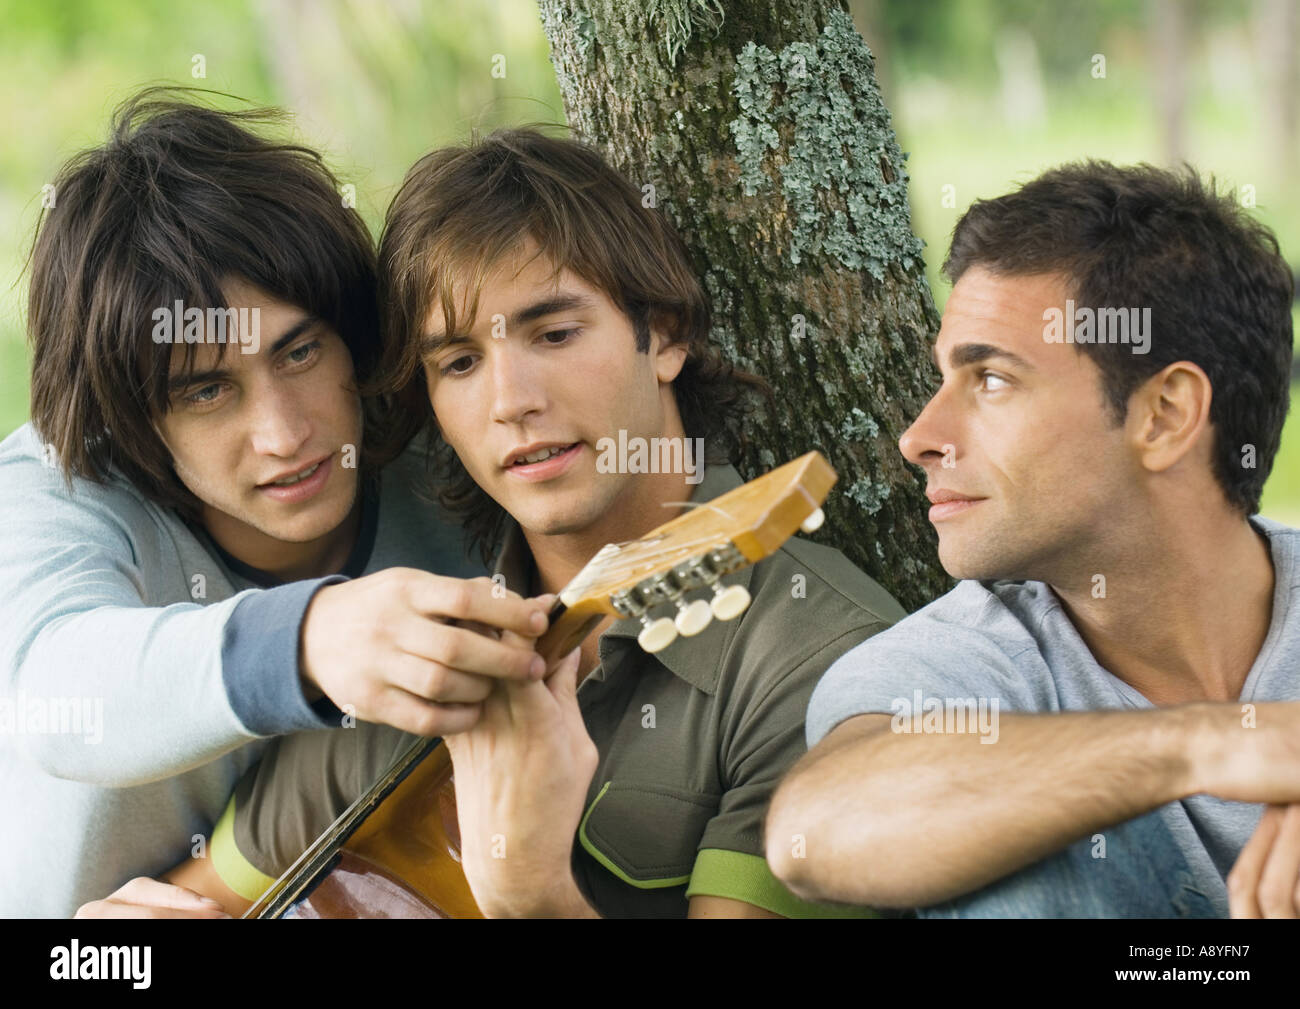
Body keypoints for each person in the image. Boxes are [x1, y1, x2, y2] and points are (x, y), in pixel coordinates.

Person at [109, 127, 907, 919]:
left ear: (664, 334)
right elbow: (181, 906)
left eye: (553, 333)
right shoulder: (415, 642)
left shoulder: (822, 662)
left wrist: (531, 894)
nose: (510, 400)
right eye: (458, 362)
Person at [0, 90, 555, 918]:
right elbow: (51, 690)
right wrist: (312, 637)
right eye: (208, 390)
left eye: (299, 351)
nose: (284, 433)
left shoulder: (440, 429)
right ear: (132, 417)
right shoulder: (56, 479)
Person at [766, 162, 1299, 918]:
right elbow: (814, 830)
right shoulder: (955, 662)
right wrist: (1204, 746)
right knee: (1031, 833)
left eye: (990, 380)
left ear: (1165, 414)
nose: (919, 437)